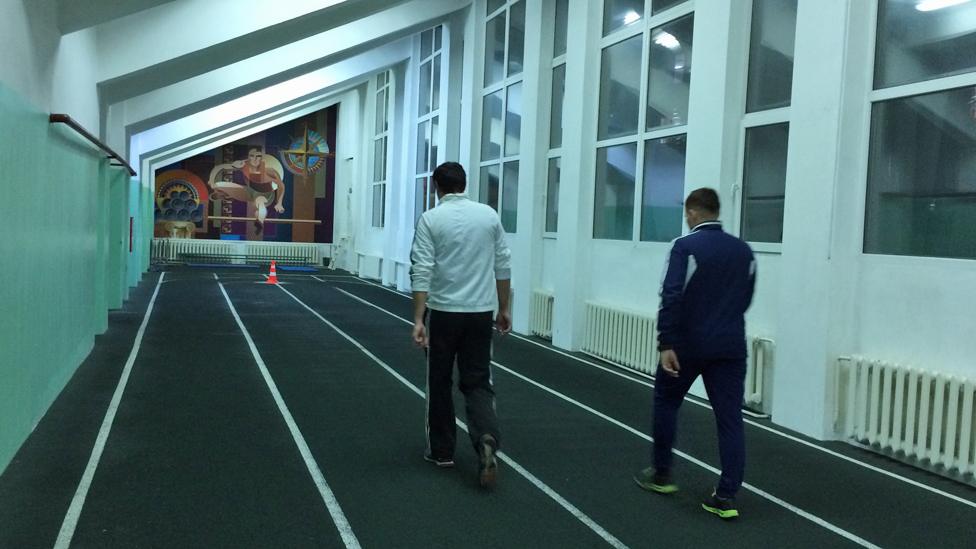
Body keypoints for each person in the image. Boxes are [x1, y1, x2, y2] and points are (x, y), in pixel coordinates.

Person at [633, 187, 756, 519]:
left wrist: (666, 343)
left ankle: (662, 475)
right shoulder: (744, 251)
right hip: (730, 346)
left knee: (666, 402)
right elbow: (745, 298)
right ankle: (726, 496)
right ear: (716, 212)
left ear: (691, 213)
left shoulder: (684, 246)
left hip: (687, 344)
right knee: (730, 419)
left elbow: (671, 294)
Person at [409, 161, 512, 489]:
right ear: (464, 184)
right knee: (478, 381)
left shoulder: (431, 219)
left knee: (439, 381)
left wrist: (418, 319)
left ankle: (442, 451)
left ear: (437, 186)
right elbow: (503, 264)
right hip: (480, 313)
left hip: (443, 312)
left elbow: (421, 269)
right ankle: (485, 437)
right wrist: (504, 308)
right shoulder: (489, 216)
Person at [207, 147, 287, 234]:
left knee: (259, 202)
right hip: (248, 191)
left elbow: (281, 186)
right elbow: (220, 167)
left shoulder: (270, 171)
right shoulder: (243, 164)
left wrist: (279, 203)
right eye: (252, 156)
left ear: (261, 158)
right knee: (218, 184)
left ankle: (260, 221)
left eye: (258, 156)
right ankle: (224, 194)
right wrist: (211, 181)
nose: (255, 159)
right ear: (249, 157)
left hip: (264, 195)